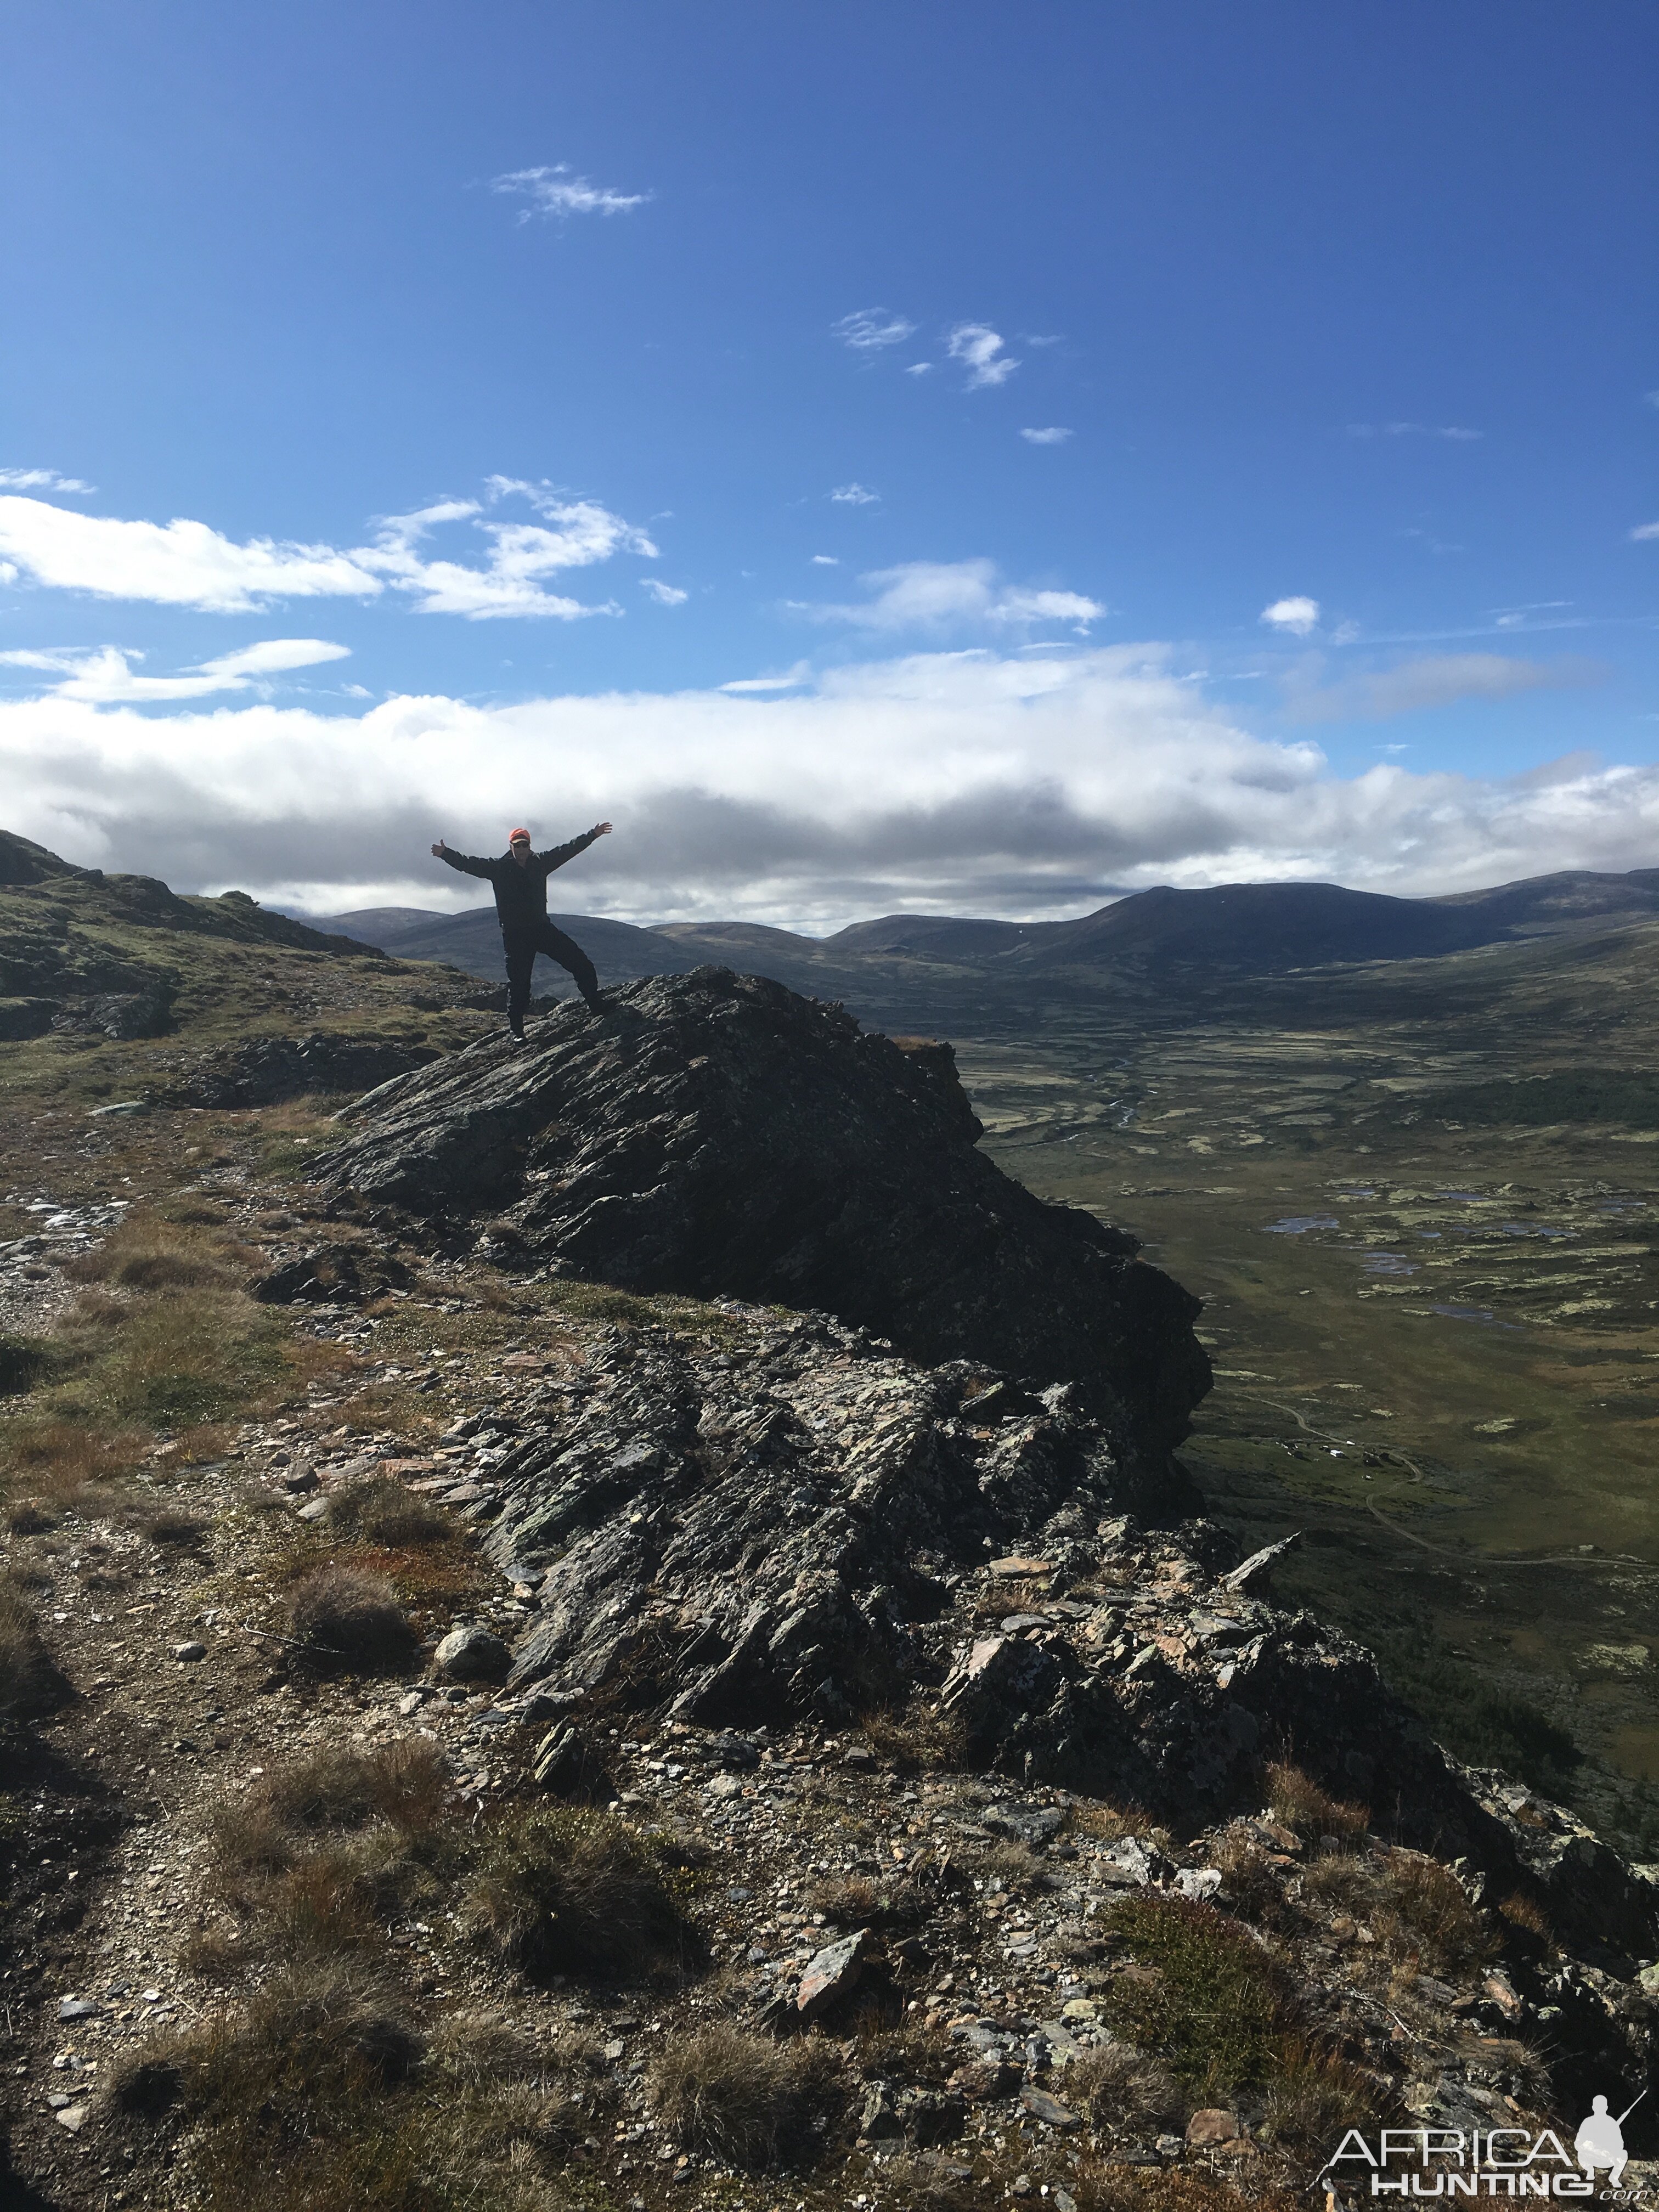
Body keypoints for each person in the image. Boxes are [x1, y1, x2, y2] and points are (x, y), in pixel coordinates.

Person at [431, 822, 613, 1040]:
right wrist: (446, 854)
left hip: (541, 929)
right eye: (517, 846)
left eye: (524, 845)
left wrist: (592, 834)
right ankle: (516, 1032)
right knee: (519, 986)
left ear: (530, 846)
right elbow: (469, 864)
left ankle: (596, 1005)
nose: (521, 849)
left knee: (581, 964)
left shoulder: (541, 862)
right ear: (511, 847)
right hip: (516, 936)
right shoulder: (499, 868)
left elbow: (568, 850)